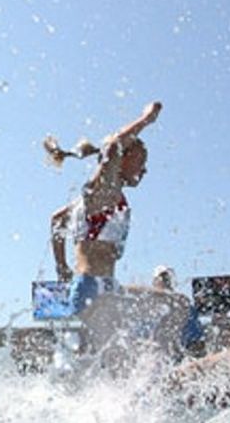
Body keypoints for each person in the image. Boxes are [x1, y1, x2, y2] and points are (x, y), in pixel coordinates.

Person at [47, 101, 161, 316]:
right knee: (176, 310)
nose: (144, 170)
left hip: (101, 287)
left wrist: (62, 267)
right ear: (121, 160)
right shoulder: (105, 191)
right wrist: (146, 119)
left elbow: (57, 220)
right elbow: (114, 146)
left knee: (177, 304)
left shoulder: (94, 200)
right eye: (140, 161)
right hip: (93, 290)